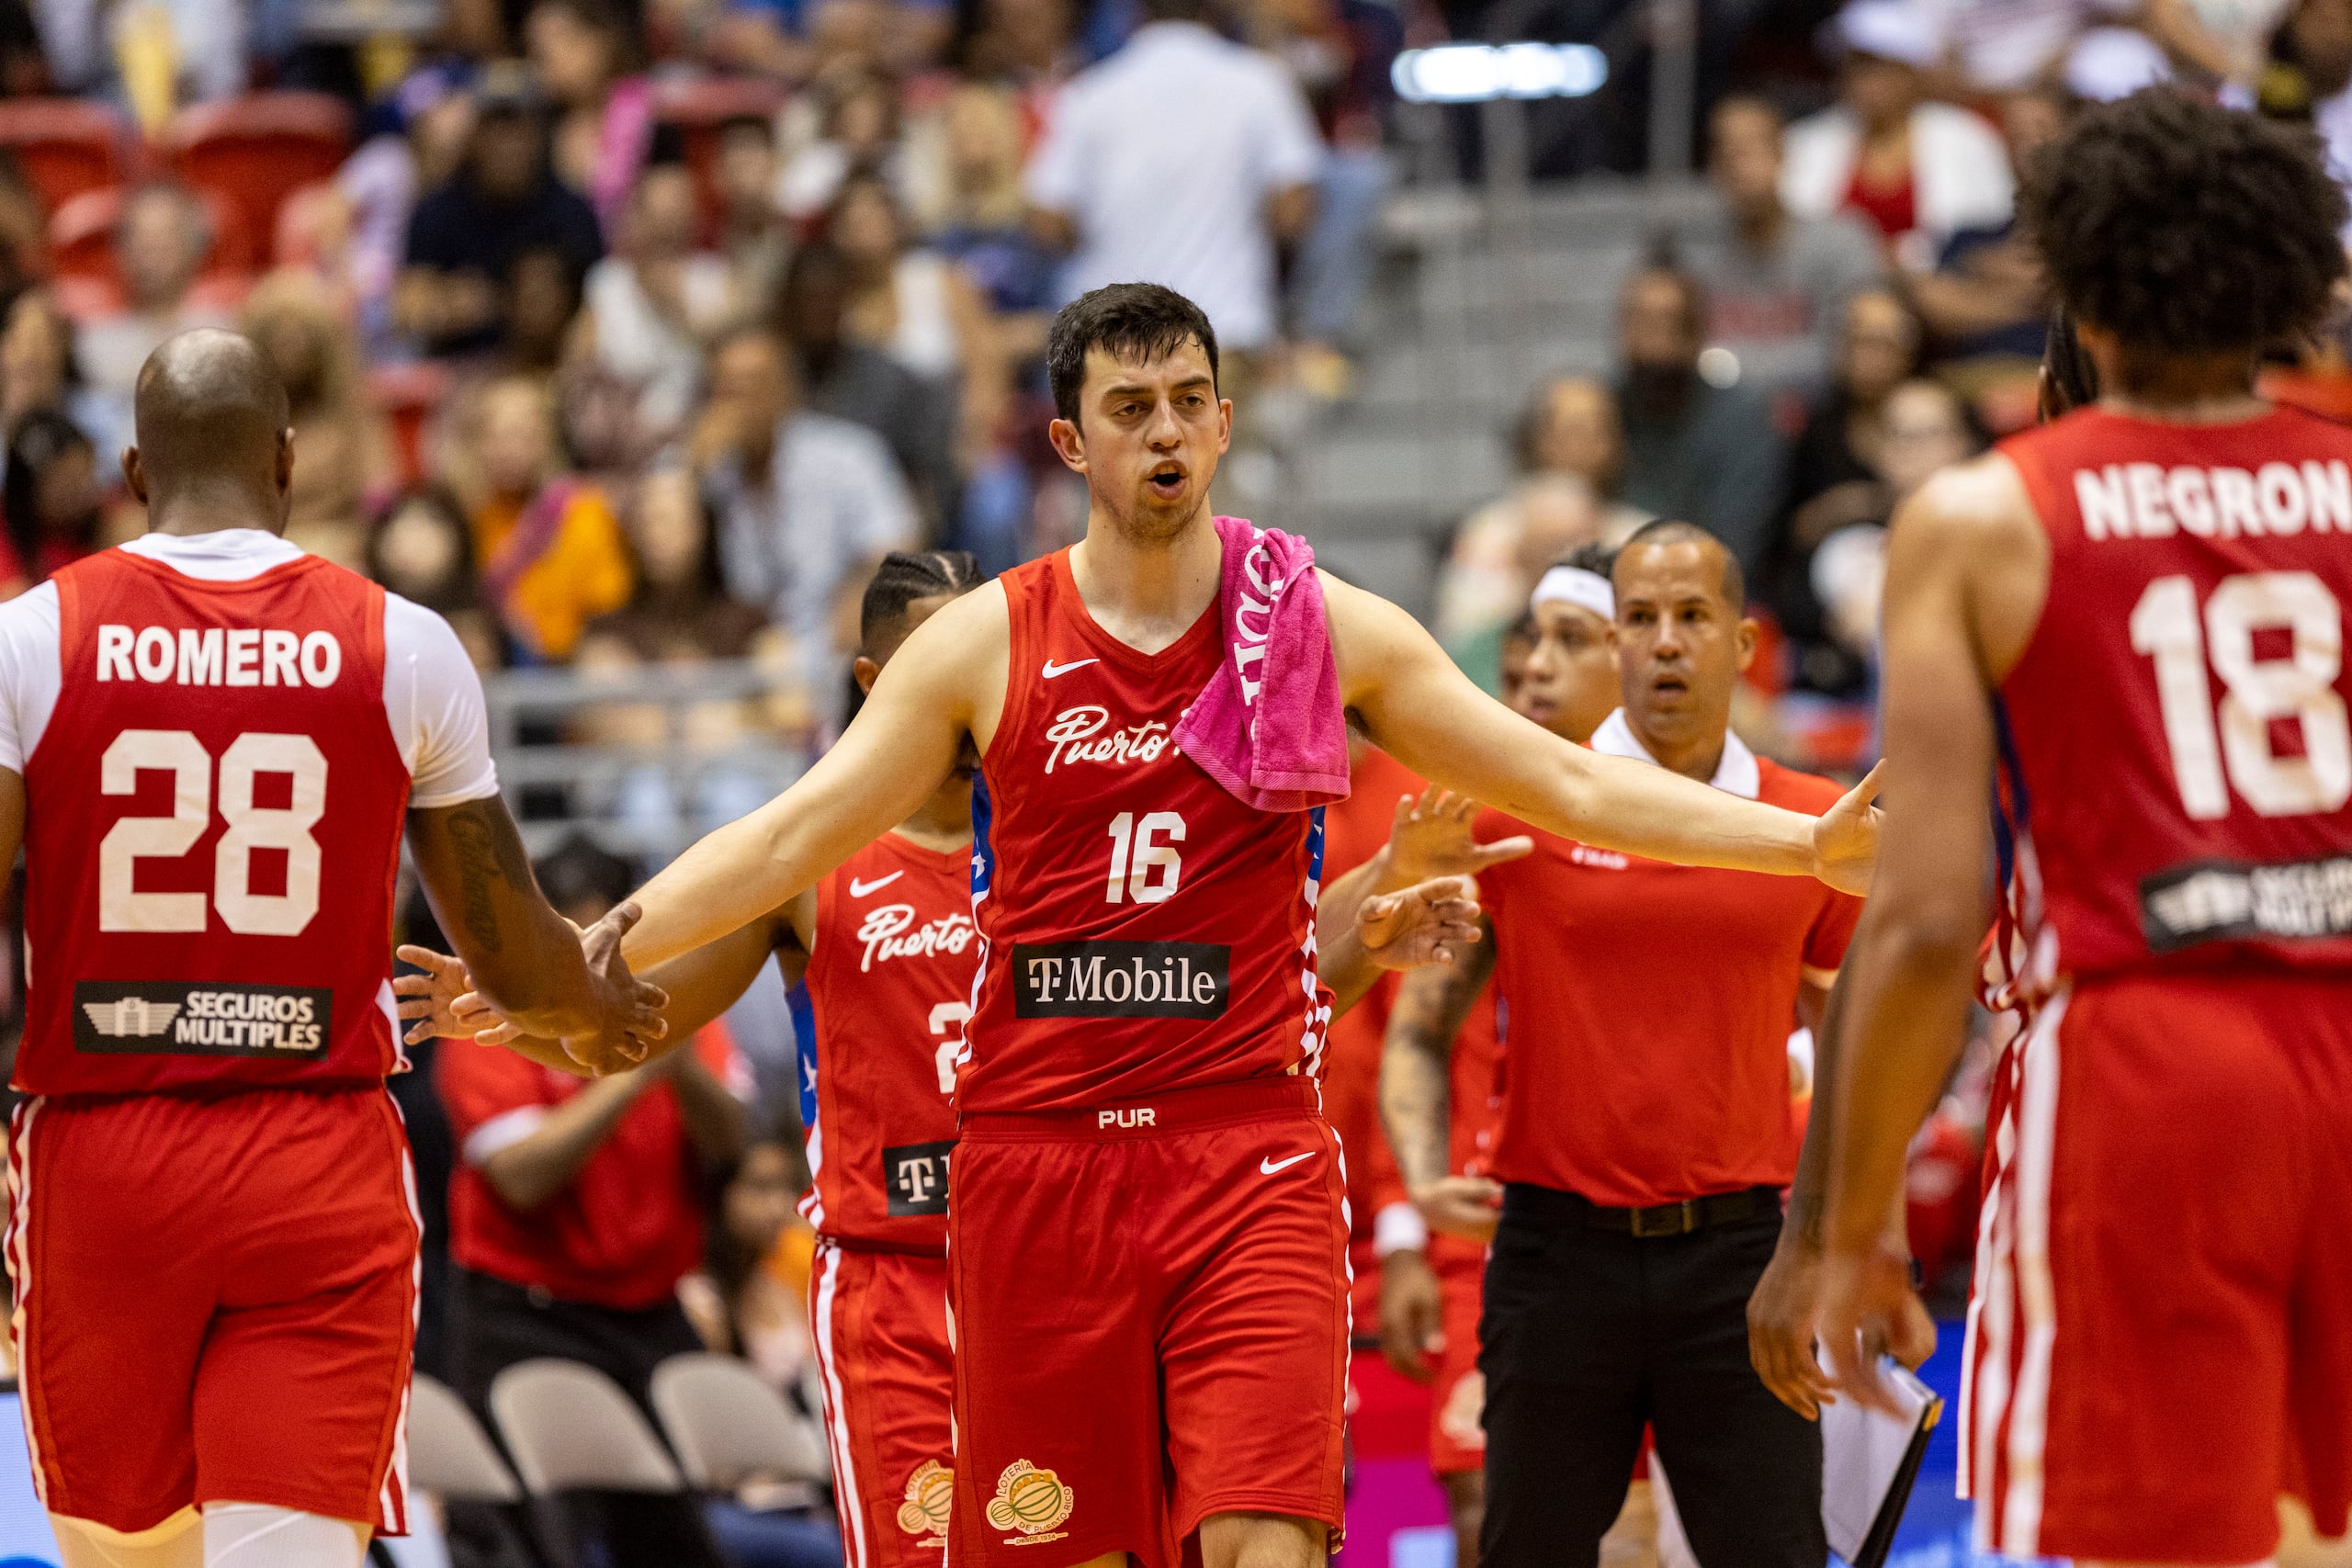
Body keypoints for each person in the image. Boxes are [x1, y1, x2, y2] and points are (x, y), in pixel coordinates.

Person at [529, 282, 1876, 1568]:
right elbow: (779, 839)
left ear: (1226, 421)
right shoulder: (987, 643)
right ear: (1070, 440)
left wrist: (1807, 842)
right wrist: (558, 956)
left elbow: (1573, 777)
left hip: (1248, 1156)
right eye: (1131, 407)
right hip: (1041, 1165)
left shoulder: (1316, 621)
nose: (1166, 430)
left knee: (1262, 1535)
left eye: (1189, 400)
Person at [405, 543, 1483, 1568]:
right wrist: (525, 1000)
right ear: (881, 677)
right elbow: (628, 1025)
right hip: (901, 1285)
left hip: (1080, 1260)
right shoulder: (809, 864)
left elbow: (1240, 1009)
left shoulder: (1080, 832)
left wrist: (1373, 928)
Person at [0, 328, 661, 1568]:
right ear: (289, 461)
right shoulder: (400, 641)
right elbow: (516, 959)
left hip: (106, 1163)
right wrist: (594, 1000)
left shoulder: (27, 639)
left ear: (136, 469)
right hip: (317, 1157)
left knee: (129, 1552)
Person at [1813, 89, 2352, 1565]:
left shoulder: (1984, 518)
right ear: (2287, 284)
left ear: (2082, 289)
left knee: (2160, 1539)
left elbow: (1928, 919)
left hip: (2147, 1057)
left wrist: (1851, 1221)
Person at [1382, 521, 1867, 1565]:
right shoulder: (1521, 803)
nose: (1663, 643)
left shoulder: (1814, 824)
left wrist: (1822, 1244)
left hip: (1743, 1255)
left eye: (1691, 618)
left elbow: (1854, 1063)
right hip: (1556, 1258)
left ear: (1742, 646)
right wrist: (1420, 1179)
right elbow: (1419, 1024)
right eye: (1637, 619)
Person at [1378, 547, 1623, 1568]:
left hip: (1683, 1225)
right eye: (1528, 639)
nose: (1531, 665)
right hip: (1502, 1223)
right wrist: (1412, 1202)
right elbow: (1399, 1030)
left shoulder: (1721, 814)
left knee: (1652, 1534)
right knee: (1491, 1511)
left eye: (1570, 640)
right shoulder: (1467, 815)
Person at [434, 833, 747, 1568]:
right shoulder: (494, 1009)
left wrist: (679, 1061)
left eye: (613, 941)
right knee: (523, 1546)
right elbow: (520, 1175)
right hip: (528, 1314)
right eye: (578, 942)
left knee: (677, 1545)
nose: (600, 961)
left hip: (648, 1307)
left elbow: (729, 1141)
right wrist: (634, 1072)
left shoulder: (669, 993)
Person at [1023, 0, 1323, 366]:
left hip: (1113, 340)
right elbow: (1293, 212)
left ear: (1134, 12)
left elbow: (1046, 221)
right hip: (1222, 333)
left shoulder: (1089, 93)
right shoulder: (1260, 82)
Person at [693, 327, 921, 699]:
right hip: (748, 662)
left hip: (846, 656)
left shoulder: (846, 455)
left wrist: (856, 608)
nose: (738, 401)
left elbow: (900, 553)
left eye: (753, 384)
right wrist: (691, 479)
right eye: (726, 388)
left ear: (785, 391)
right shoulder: (714, 476)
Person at [1781, 0, 2016, 266]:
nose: (1865, 81)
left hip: (1946, 286)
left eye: (1878, 67)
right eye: (1854, 67)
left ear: (1910, 71)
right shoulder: (1805, 141)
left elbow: (1991, 233)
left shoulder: (1968, 136)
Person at [399, 65, 605, 359]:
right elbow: (407, 311)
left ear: (539, 134)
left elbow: (599, 311)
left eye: (517, 127)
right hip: (461, 367)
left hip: (551, 366)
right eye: (494, 127)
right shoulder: (438, 210)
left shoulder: (571, 213)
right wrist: (452, 307)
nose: (506, 144)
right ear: (473, 135)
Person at [1690, 96, 1886, 403]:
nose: (1737, 166)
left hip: (1824, 421)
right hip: (1722, 421)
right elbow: (1677, 354)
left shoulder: (1842, 239)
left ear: (1782, 153)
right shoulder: (1693, 251)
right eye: (1725, 153)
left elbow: (1848, 353)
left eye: (1749, 150)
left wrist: (1723, 366)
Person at [1614, 262, 1788, 572]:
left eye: (1669, 324)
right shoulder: (1604, 410)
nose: (1655, 343)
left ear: (1696, 334)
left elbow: (1735, 542)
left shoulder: (1742, 418)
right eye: (1641, 324)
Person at [453, 373, 636, 662]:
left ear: (546, 438)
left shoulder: (584, 510)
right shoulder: (460, 516)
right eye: (494, 433)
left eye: (521, 433)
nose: (508, 448)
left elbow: (609, 611)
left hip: (567, 668)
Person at [238, 270, 399, 572]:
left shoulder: (354, 414)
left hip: (340, 551)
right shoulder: (235, 423)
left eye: (300, 335)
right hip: (253, 555)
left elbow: (378, 496)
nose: (289, 346)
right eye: (278, 336)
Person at [582, 163, 737, 444]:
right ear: (634, 218)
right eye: (658, 215)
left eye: (677, 213)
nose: (667, 225)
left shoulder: (717, 280)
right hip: (620, 444)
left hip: (696, 442)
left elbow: (728, 374)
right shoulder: (607, 284)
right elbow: (582, 375)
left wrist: (678, 313)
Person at [73, 184, 232, 455]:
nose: (150, 254)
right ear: (121, 250)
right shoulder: (93, 345)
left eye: (164, 239)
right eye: (139, 239)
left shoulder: (224, 337)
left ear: (194, 247)